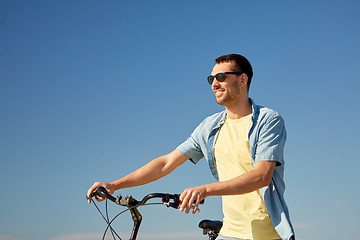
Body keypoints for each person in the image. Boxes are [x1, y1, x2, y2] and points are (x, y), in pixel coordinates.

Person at [87, 54, 295, 240]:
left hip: (267, 235)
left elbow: (261, 176)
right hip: (230, 233)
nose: (214, 83)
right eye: (211, 79)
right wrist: (114, 185)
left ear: (242, 80)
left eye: (221, 77)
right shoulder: (209, 127)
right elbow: (166, 163)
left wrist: (205, 189)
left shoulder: (267, 120)